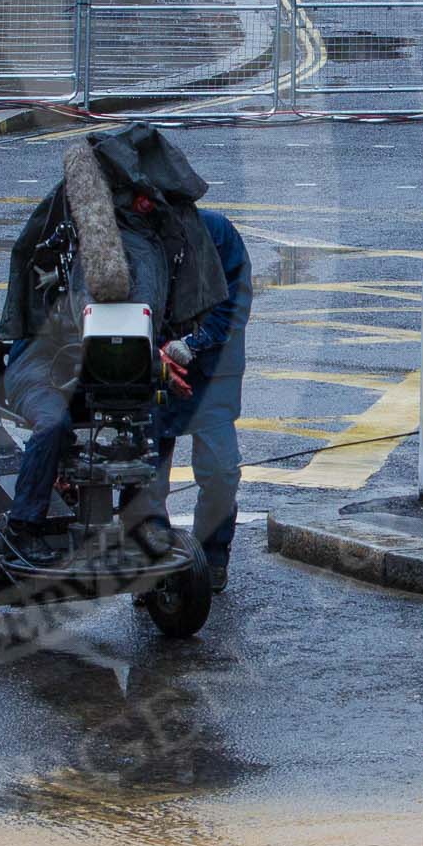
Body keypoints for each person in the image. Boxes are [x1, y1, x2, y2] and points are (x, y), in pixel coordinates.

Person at [0, 129, 228, 566]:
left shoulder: (152, 245)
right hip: (42, 367)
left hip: (99, 370)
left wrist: (159, 365)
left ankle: (140, 525)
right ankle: (22, 525)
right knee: (52, 425)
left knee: (142, 423)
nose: (149, 202)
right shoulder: (84, 248)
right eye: (142, 194)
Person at [156, 209, 251, 592]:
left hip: (211, 372)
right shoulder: (138, 234)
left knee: (221, 472)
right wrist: (156, 355)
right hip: (155, 369)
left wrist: (194, 344)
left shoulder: (217, 231)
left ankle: (211, 557)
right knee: (147, 479)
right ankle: (151, 566)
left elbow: (236, 300)